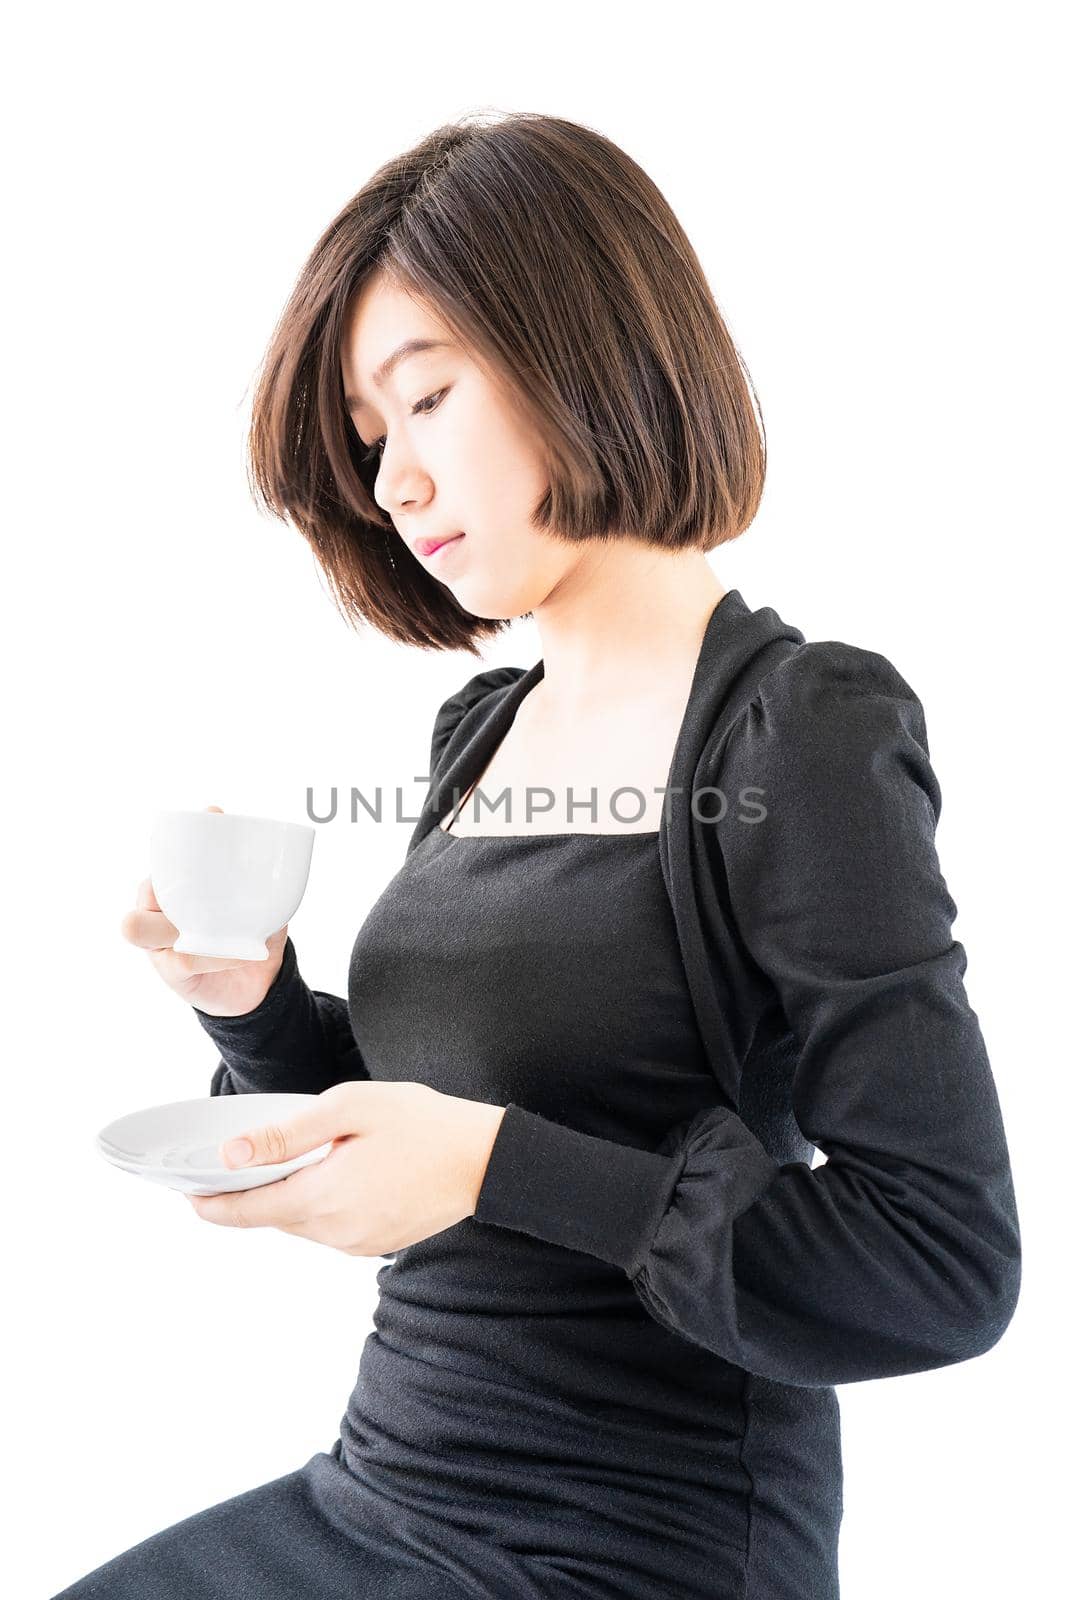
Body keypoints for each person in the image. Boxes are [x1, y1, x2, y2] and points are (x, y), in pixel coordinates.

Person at [56, 111, 1021, 1600]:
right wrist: (251, 1003)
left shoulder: (794, 730)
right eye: (369, 444)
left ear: (586, 354)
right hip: (385, 1486)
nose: (389, 486)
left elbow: (940, 1264)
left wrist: (497, 1167)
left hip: (634, 1542)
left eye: (425, 397)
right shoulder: (481, 729)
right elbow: (414, 1119)